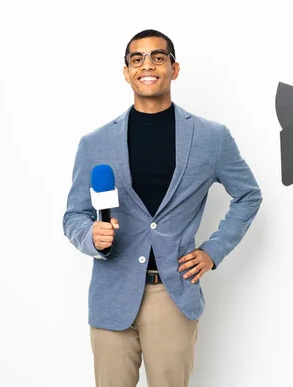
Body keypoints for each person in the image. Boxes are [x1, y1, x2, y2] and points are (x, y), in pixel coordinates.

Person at [62, 29, 262, 387]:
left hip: (172, 293)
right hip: (112, 293)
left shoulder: (210, 137)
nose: (147, 65)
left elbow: (248, 194)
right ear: (126, 72)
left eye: (158, 57)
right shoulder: (95, 143)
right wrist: (90, 235)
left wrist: (213, 252)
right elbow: (74, 215)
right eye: (136, 59)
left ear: (175, 68)